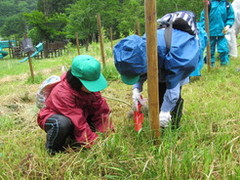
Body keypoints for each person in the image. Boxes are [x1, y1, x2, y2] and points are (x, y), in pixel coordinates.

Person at [114, 11, 200, 128]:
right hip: (162, 54)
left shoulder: (179, 58)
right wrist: (136, 88)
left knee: (172, 92)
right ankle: (159, 114)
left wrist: (165, 111)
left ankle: (173, 124)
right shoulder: (141, 47)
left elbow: (173, 86)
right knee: (159, 88)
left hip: (180, 53)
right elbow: (137, 67)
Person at [37, 55, 113, 155]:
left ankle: (74, 138)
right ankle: (53, 150)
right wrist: (94, 143)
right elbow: (78, 121)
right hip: (57, 118)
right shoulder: (62, 93)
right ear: (77, 81)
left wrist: (107, 135)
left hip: (80, 115)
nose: (94, 88)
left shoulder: (91, 91)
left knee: (94, 123)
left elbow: (101, 112)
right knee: (62, 124)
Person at [200, 0, 235, 67]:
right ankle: (210, 65)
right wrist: (204, 28)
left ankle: (225, 65)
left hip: (222, 32)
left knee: (223, 49)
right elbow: (203, 17)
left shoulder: (226, 4)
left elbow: (231, 16)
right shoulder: (209, 4)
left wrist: (228, 25)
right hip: (210, 31)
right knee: (210, 50)